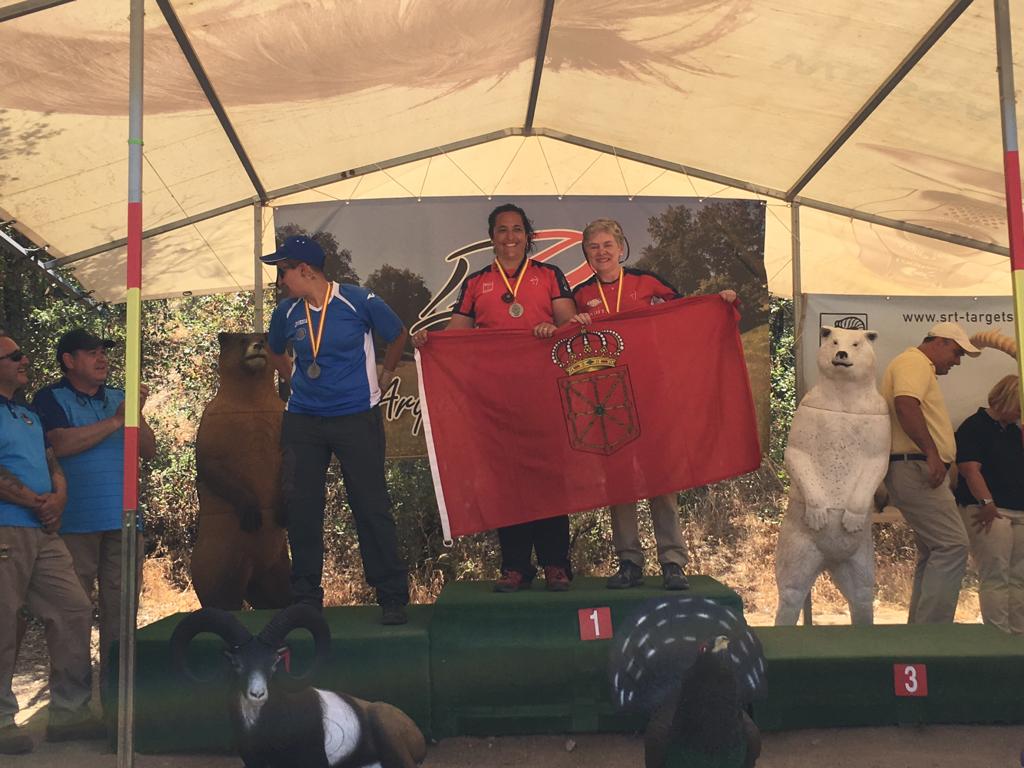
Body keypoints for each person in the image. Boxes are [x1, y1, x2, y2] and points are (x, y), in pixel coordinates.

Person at [412, 203, 577, 593]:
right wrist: (430, 342)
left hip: (543, 391)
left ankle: (556, 564)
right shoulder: (477, 283)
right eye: (502, 230)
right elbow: (457, 332)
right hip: (495, 397)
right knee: (507, 480)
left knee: (549, 477)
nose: (510, 237)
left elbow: (568, 321)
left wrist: (548, 328)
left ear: (527, 236)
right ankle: (516, 566)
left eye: (517, 230)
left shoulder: (549, 274)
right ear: (492, 238)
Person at [570, 218, 736, 591]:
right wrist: (575, 321)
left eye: (607, 244)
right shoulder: (581, 294)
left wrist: (716, 302)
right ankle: (629, 561)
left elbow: (686, 311)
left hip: (652, 392)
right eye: (593, 247)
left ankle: (672, 562)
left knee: (663, 478)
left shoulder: (646, 282)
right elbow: (564, 334)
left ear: (621, 245)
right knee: (621, 483)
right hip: (608, 400)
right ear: (586, 253)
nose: (602, 251)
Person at [263, 235, 411, 625]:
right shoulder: (286, 312)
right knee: (302, 509)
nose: (281, 281)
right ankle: (306, 598)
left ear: (305, 270)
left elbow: (398, 334)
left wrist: (384, 373)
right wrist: (293, 377)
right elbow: (274, 350)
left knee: (371, 506)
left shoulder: (359, 301)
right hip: (303, 421)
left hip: (355, 417)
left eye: (283, 272)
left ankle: (392, 595)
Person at [32, 329, 156, 713]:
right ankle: (71, 707)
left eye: (103, 352)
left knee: (123, 617)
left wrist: (134, 417)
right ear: (68, 361)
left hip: (124, 521)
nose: (102, 358)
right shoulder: (49, 398)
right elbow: (59, 444)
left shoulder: (121, 398)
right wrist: (116, 423)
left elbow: (148, 451)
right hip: (72, 526)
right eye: (91, 353)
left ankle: (120, 705)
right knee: (72, 618)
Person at [0, 335, 104, 755]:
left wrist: (58, 496)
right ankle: (3, 720)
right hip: (7, 528)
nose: (26, 359)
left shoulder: (26, 412)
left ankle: (69, 713)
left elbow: (51, 462)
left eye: (24, 352)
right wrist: (32, 501)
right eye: (14, 356)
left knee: (75, 608)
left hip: (43, 530)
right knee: (4, 622)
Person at [881, 322, 979, 624]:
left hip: (915, 465)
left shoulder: (914, 363)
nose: (957, 361)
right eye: (957, 352)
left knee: (935, 551)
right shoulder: (914, 361)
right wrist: (932, 453)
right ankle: (934, 634)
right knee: (952, 545)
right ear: (939, 342)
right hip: (916, 466)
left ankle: (920, 633)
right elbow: (905, 404)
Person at [954, 374, 1024, 633]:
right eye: (1019, 405)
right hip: (992, 511)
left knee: (1019, 577)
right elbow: (970, 469)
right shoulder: (975, 426)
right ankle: (997, 635)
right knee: (996, 574)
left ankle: (1018, 634)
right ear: (1007, 399)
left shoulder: (1017, 430)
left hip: (1018, 508)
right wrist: (986, 502)